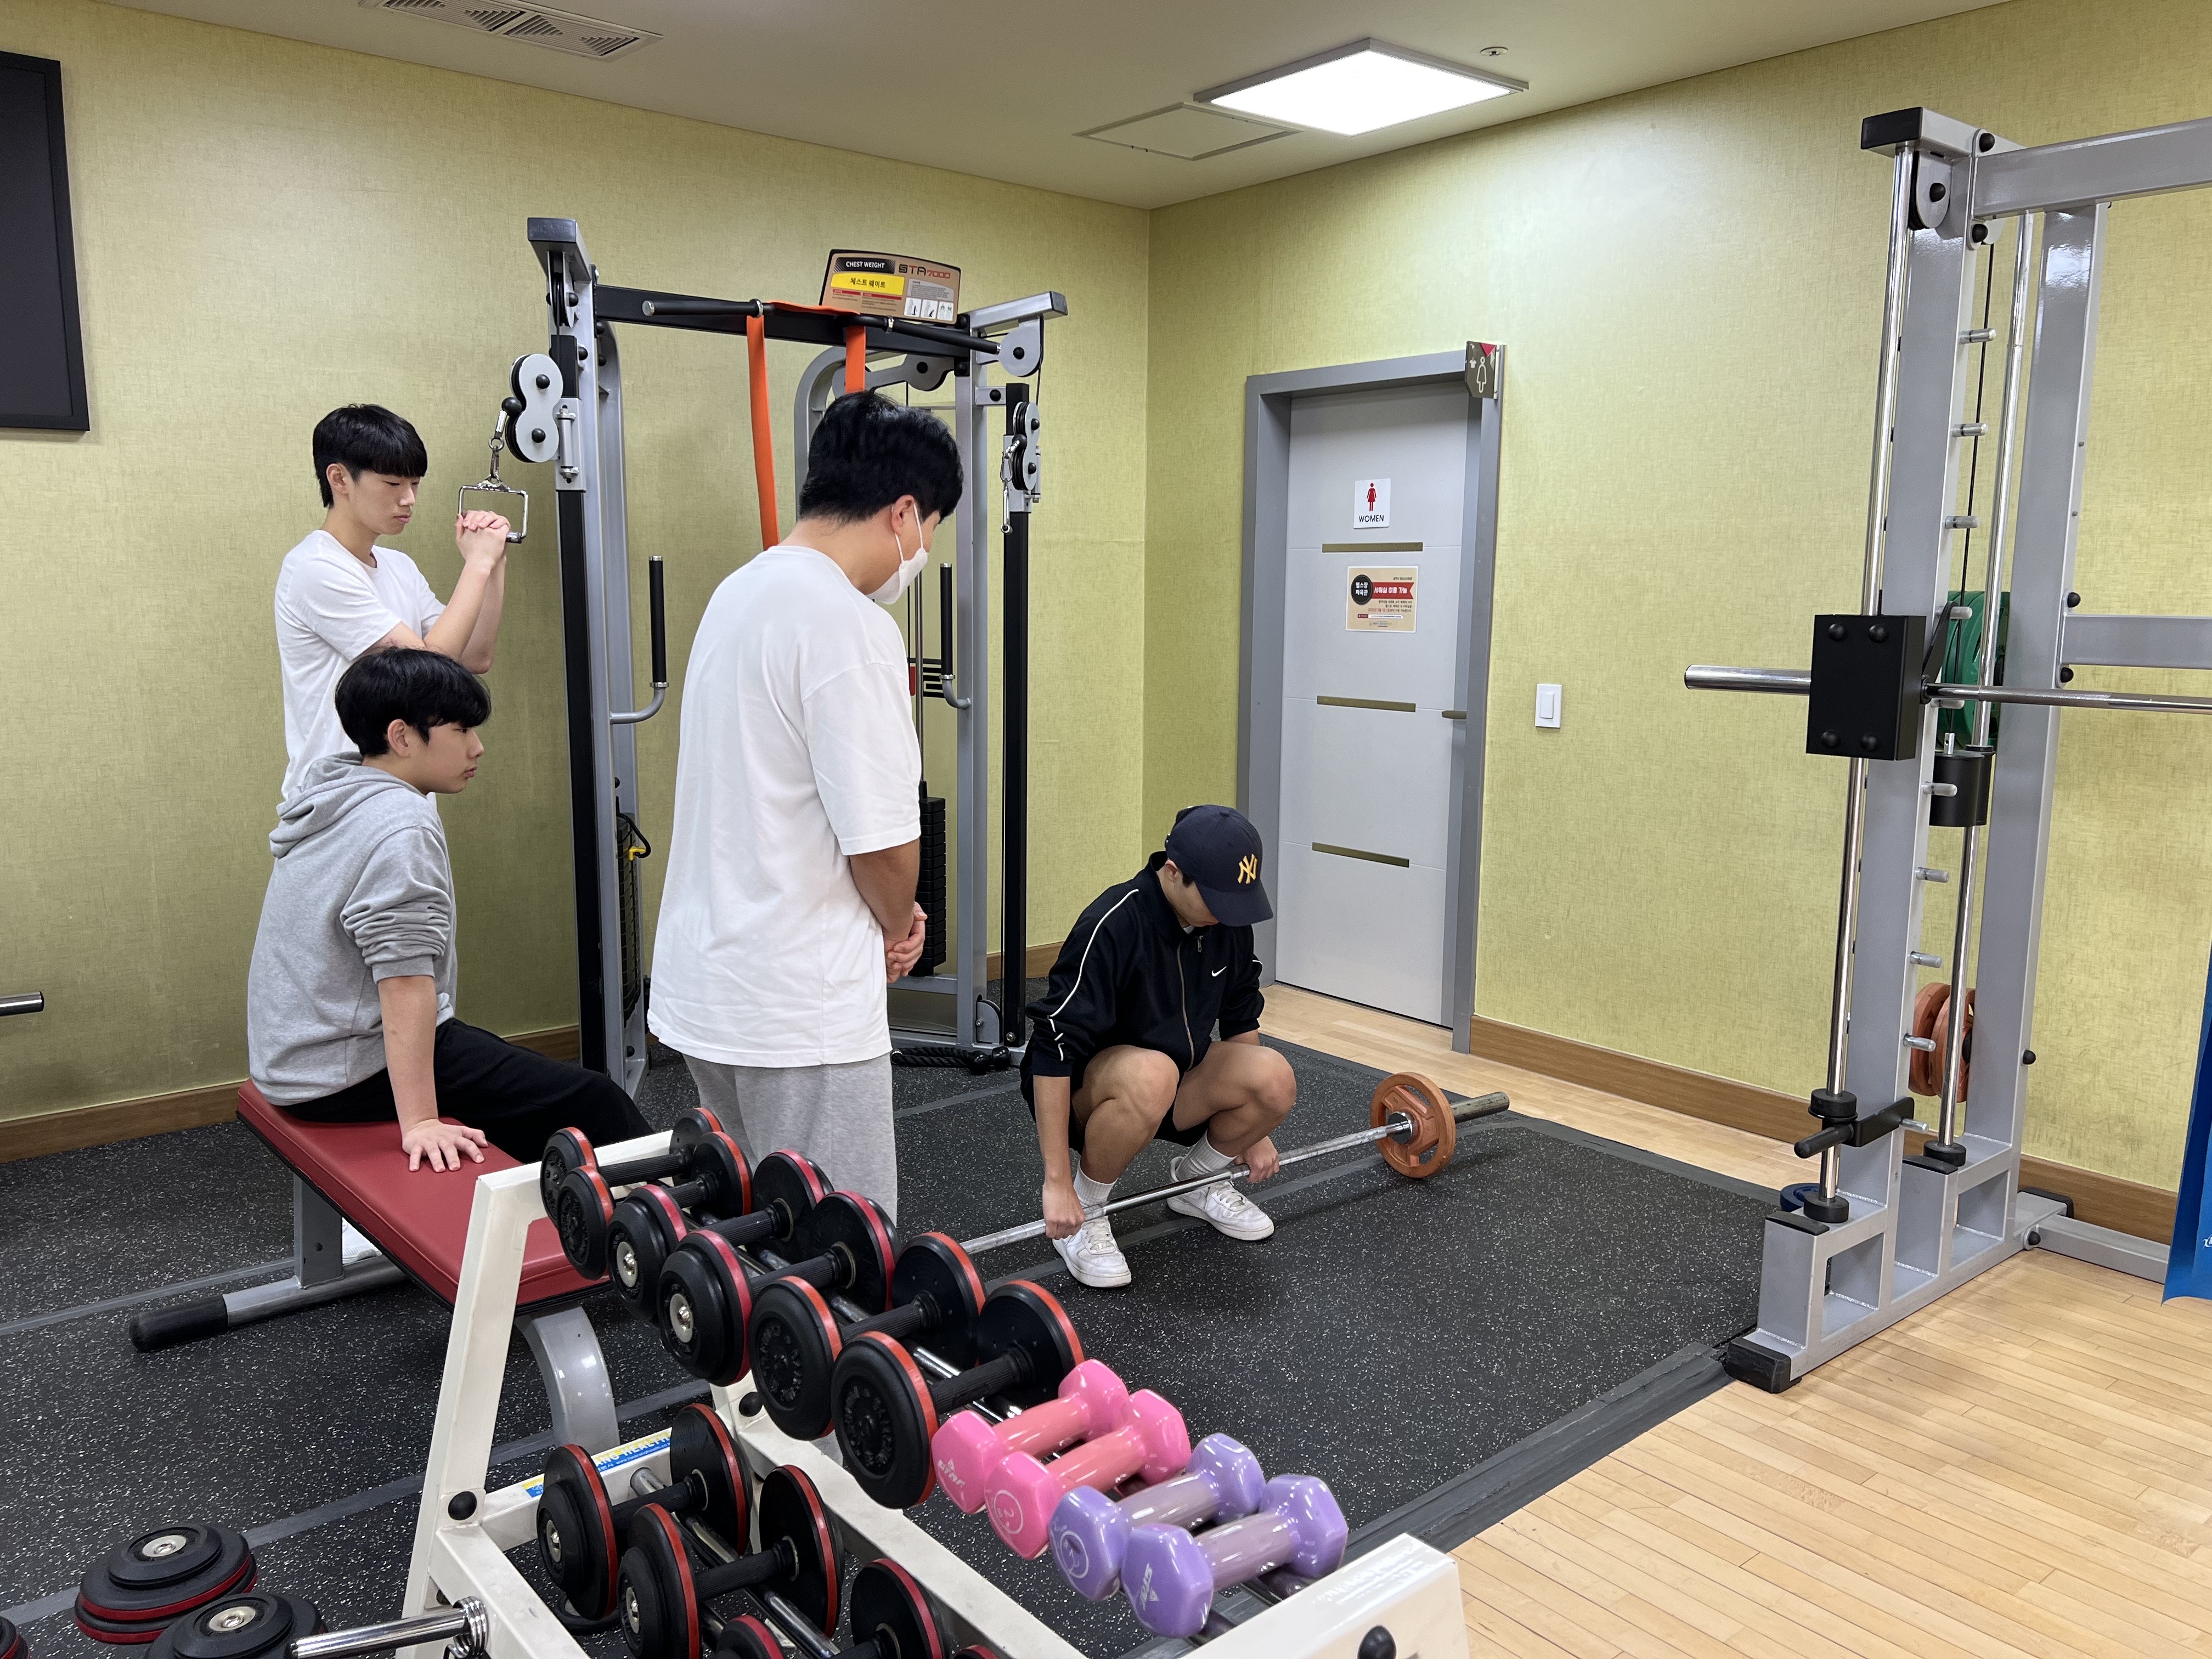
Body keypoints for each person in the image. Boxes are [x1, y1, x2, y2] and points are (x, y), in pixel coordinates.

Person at [647, 392, 958, 1221]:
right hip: (800, 1002)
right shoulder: (851, 626)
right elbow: (883, 843)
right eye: (932, 528)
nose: (925, 550)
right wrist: (898, 923)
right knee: (841, 1249)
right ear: (903, 513)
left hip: (715, 981)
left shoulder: (736, 594)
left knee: (747, 1226)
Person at [246, 648, 650, 1171]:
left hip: (294, 1058)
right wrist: (421, 1121)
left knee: (524, 1087)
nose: (477, 747)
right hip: (342, 1073)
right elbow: (403, 982)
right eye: (460, 730)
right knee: (597, 1103)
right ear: (401, 736)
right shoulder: (400, 824)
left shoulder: (334, 794)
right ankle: (681, 1217)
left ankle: (551, 1203)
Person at [1023, 805, 1298, 1288]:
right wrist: (1058, 1182)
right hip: (1091, 1099)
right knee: (1153, 1074)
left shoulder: (1226, 922)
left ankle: (1197, 1183)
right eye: (1216, 899)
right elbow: (1052, 1047)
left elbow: (1240, 1017)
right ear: (1173, 873)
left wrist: (1253, 1134)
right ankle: (1086, 1209)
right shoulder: (1113, 923)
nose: (1227, 914)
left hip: (1176, 1082)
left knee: (1274, 1077)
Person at [274, 404, 513, 801]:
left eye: (415, 484)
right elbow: (426, 676)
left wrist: (495, 563)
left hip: (401, 792)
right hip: (340, 798)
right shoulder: (314, 568)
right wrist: (476, 564)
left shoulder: (399, 566)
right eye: (392, 484)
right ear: (339, 479)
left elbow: (475, 657)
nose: (409, 499)